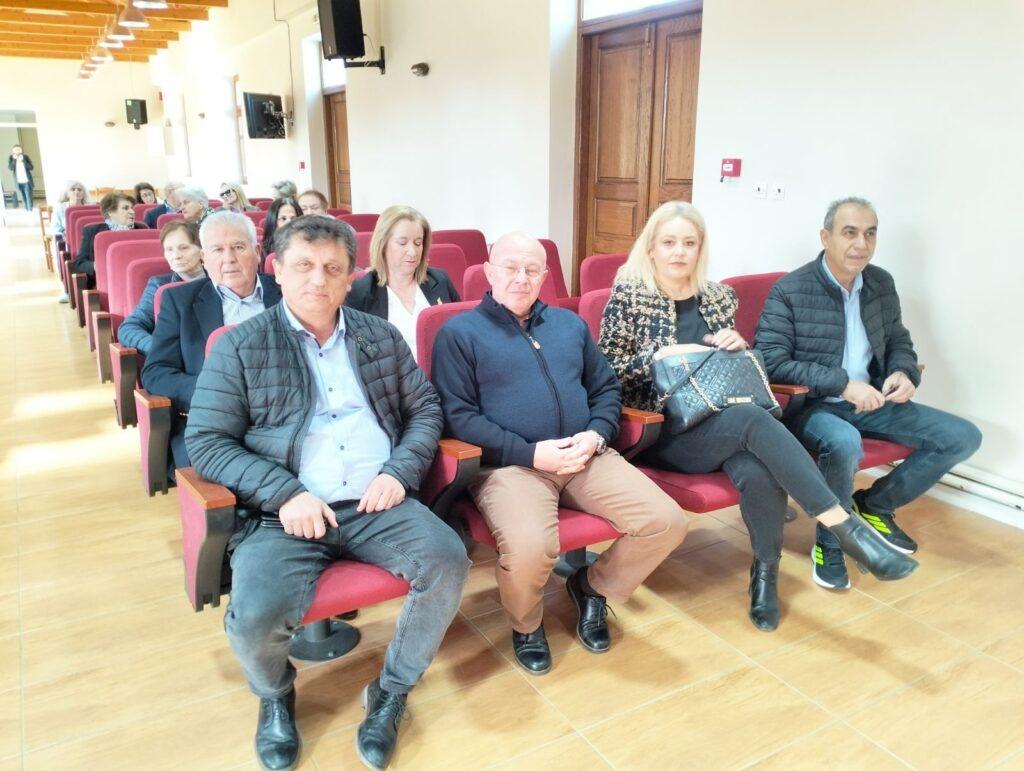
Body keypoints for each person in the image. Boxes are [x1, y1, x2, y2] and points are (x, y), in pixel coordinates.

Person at [185, 214, 469, 771]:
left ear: (351, 276)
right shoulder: (240, 346)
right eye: (304, 266)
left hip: (375, 500)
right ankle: (275, 695)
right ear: (277, 270)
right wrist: (284, 493)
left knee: (448, 561)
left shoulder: (378, 335)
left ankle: (391, 691)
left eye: (333, 269)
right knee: (255, 618)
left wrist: (399, 471)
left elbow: (424, 409)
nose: (318, 279)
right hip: (282, 512)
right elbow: (207, 442)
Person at [599, 201, 920, 630]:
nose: (679, 252)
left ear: (700, 249)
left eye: (689, 243)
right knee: (751, 420)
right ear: (652, 248)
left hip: (721, 420)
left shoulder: (718, 297)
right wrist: (660, 355)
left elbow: (742, 369)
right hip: (664, 432)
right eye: (669, 242)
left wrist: (737, 344)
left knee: (758, 468)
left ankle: (765, 574)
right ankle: (845, 528)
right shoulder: (629, 298)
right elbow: (606, 373)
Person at [432, 232, 689, 673]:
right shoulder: (459, 334)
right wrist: (530, 454)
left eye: (532, 269)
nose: (521, 278)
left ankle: (592, 588)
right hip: (510, 466)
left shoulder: (569, 326)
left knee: (666, 522)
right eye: (511, 267)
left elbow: (606, 389)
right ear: (489, 272)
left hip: (584, 455)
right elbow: (458, 417)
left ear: (544, 276)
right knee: (531, 548)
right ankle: (527, 624)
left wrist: (596, 434)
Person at [756, 196, 982, 590]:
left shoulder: (880, 283)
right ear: (825, 237)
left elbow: (898, 340)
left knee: (962, 437)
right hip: (813, 407)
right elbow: (771, 362)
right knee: (844, 442)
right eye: (850, 233)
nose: (861, 244)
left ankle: (874, 504)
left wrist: (903, 372)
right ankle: (832, 541)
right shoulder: (790, 290)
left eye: (870, 234)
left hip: (873, 401)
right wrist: (842, 384)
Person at [142, 210, 281, 472]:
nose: (229, 259)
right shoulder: (180, 301)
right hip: (216, 424)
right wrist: (213, 391)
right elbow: (156, 372)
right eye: (217, 250)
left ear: (257, 252)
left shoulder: (286, 292)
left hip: (284, 417)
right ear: (204, 258)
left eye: (238, 247)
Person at [346, 205, 461, 358]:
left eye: (418, 243)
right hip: (390, 371)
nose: (413, 252)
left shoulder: (440, 280)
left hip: (443, 369)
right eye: (402, 243)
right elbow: (360, 344)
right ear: (383, 244)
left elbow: (462, 330)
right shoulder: (360, 291)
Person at [117, 220, 207, 356]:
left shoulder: (220, 279)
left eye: (184, 248)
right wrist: (162, 350)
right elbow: (128, 329)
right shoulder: (159, 285)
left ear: (202, 250)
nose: (176, 256)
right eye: (169, 250)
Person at [70, 191, 146, 290]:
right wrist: (97, 266)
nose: (132, 212)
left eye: (132, 208)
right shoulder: (92, 231)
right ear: (110, 212)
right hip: (106, 284)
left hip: (138, 282)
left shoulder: (142, 228)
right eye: (125, 208)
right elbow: (80, 263)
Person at [7, 144, 34, 210]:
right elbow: (10, 168)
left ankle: (30, 210)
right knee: (23, 197)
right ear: (13, 151)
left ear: (21, 150)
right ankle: (26, 210)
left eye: (19, 149)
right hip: (18, 182)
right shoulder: (11, 157)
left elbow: (31, 167)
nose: (17, 151)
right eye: (16, 150)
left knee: (28, 196)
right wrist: (14, 160)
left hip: (27, 181)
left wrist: (23, 160)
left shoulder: (25, 157)